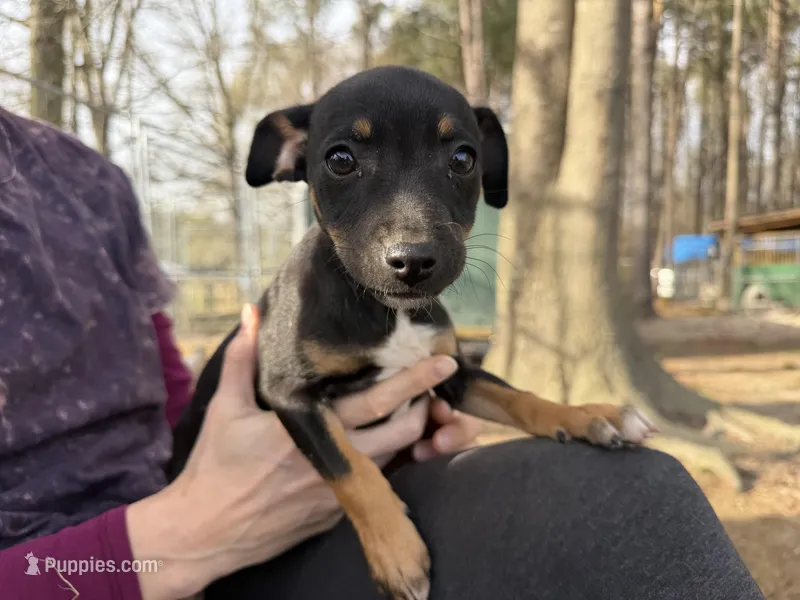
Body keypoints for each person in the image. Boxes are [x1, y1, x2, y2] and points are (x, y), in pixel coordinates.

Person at [0, 106, 765, 600]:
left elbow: (158, 387)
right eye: (343, 163)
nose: (411, 233)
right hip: (86, 567)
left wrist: (533, 415)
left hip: (239, 516)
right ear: (293, 154)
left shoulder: (82, 177)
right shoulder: (310, 308)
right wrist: (179, 536)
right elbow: (293, 393)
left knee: (635, 497)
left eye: (459, 162)